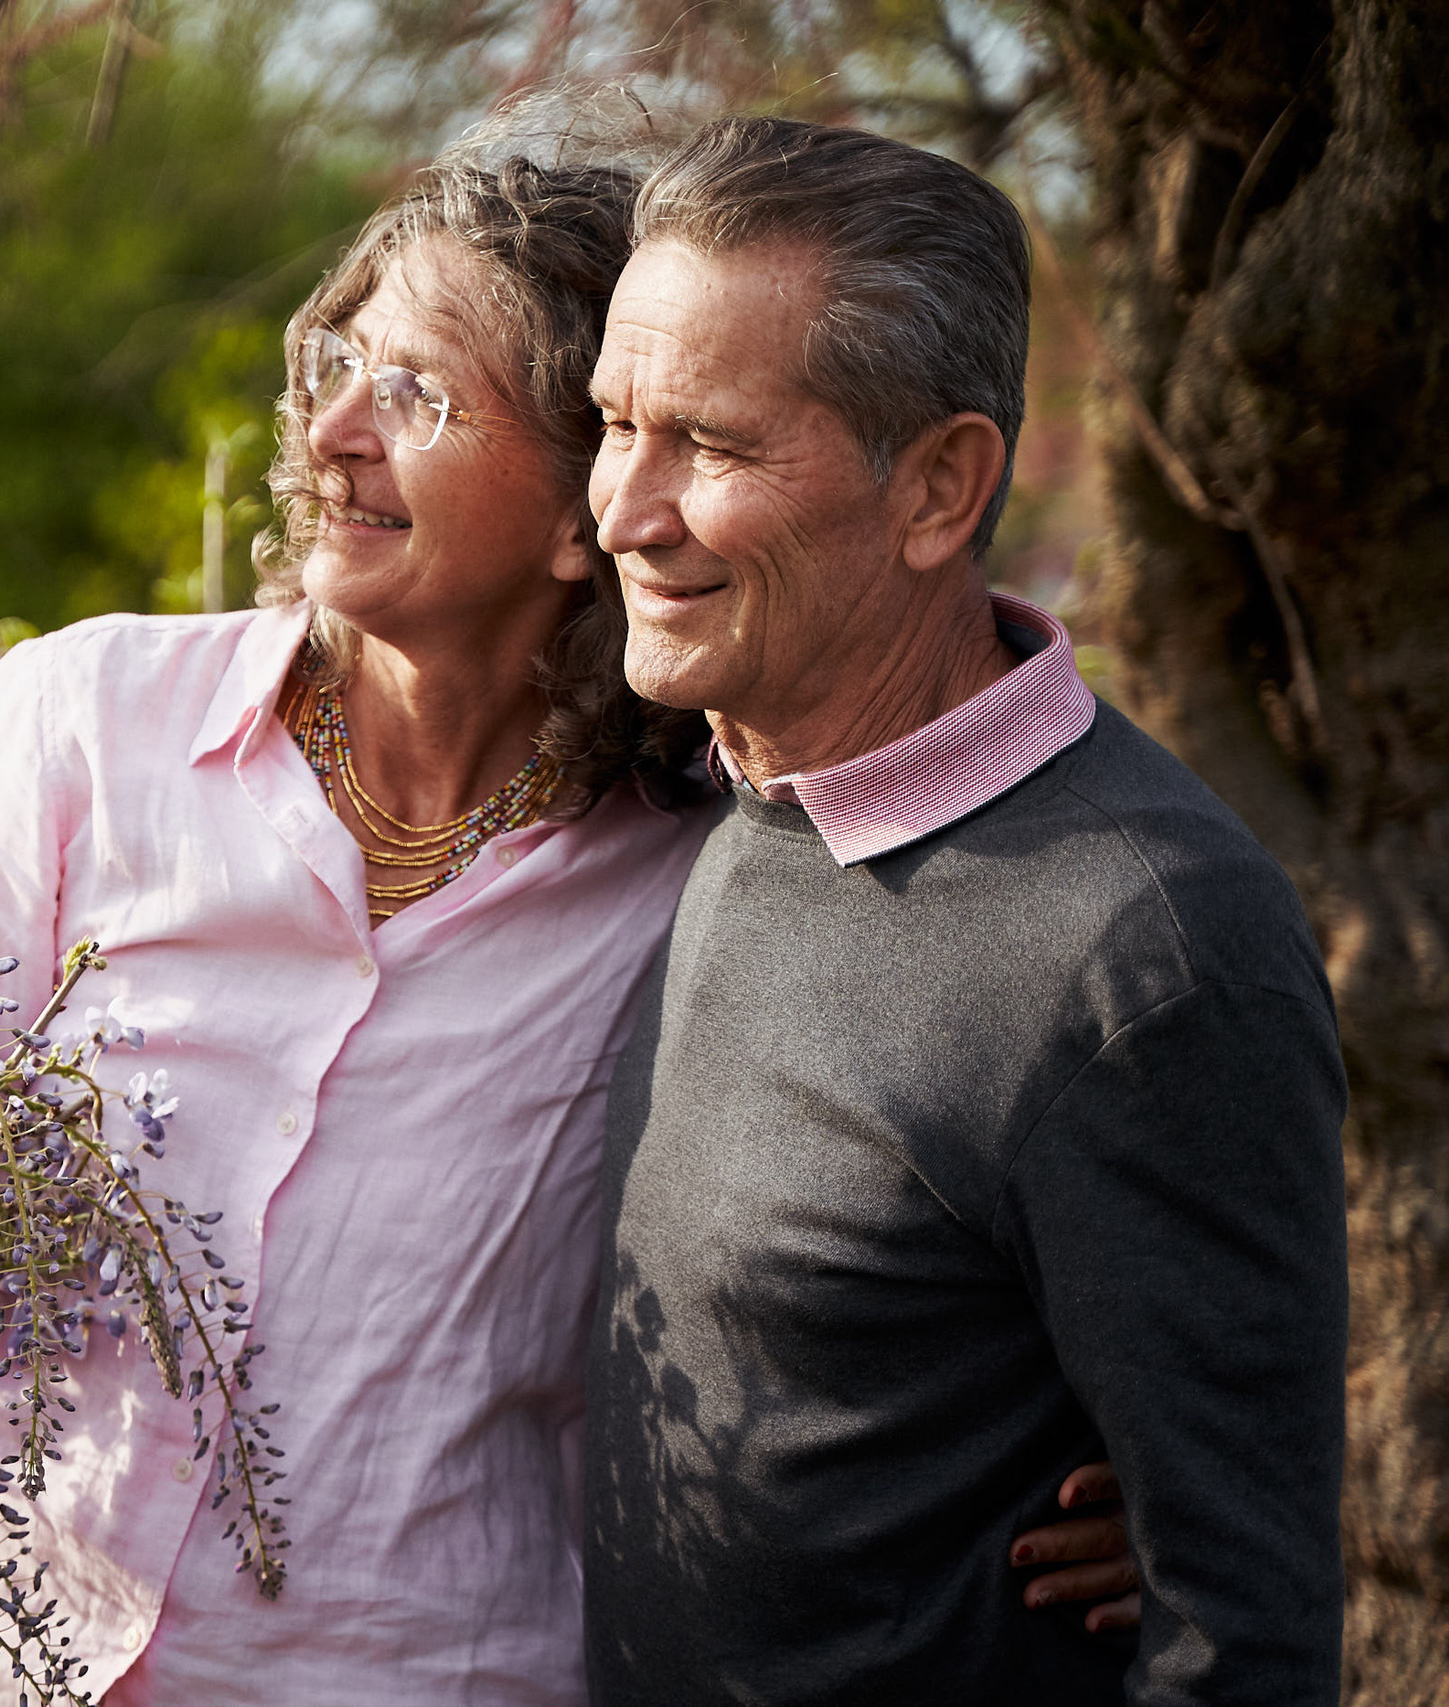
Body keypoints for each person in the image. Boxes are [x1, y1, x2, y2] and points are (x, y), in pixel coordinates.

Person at [0, 117, 1135, 1707]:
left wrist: (1114, 1443)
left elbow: (979, 1097)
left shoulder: (704, 863)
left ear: (593, 508)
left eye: (416, 394)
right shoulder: (77, 731)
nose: (333, 433)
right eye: (332, 367)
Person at [580, 117, 1348, 1704]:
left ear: (940, 487)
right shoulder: (748, 777)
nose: (623, 511)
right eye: (614, 424)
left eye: (708, 446)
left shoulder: (1144, 954)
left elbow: (1243, 1641)